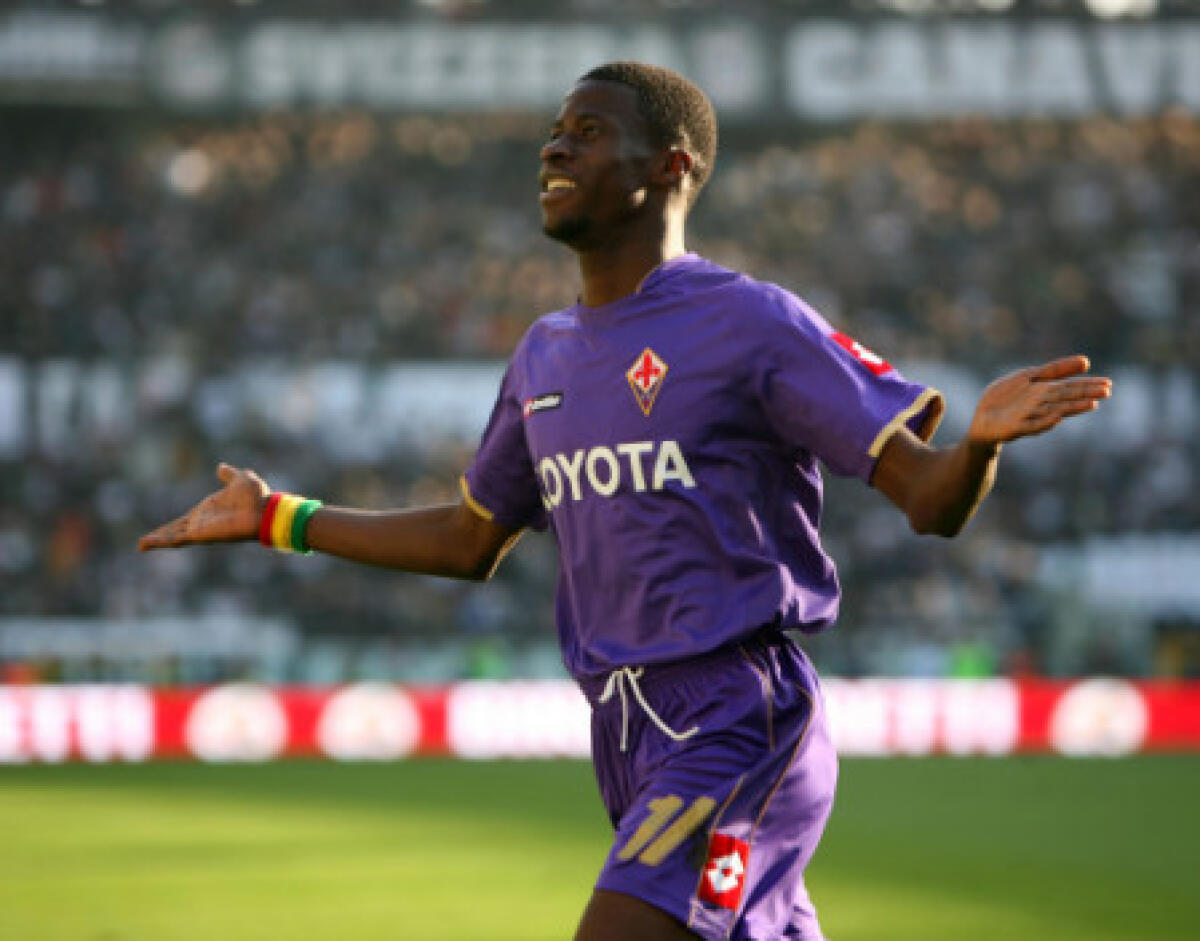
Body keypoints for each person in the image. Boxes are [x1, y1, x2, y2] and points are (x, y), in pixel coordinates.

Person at [139, 62, 1112, 941]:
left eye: (590, 130)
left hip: (736, 717)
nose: (555, 145)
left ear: (673, 164)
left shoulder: (749, 319)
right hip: (627, 729)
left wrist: (978, 444)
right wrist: (279, 516)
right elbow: (470, 536)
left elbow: (928, 498)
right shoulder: (544, 351)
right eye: (556, 130)